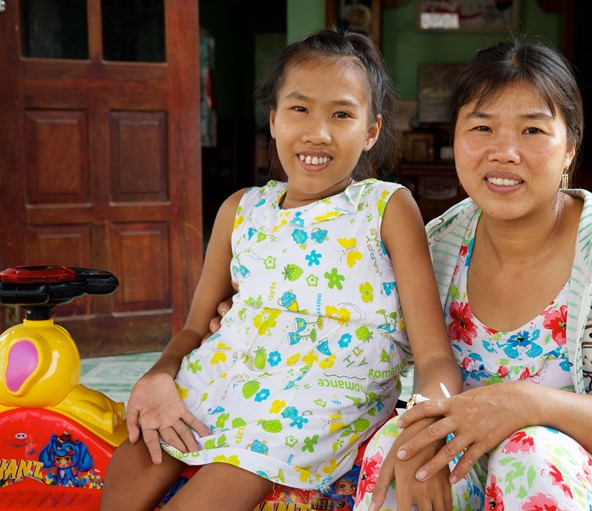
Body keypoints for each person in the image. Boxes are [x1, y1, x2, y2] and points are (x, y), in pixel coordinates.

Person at [100, 28, 460, 511]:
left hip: (320, 398)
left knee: (213, 491)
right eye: (299, 108)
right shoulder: (240, 209)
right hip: (223, 375)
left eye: (342, 114)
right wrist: (157, 377)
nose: (318, 131)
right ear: (272, 119)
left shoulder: (386, 208)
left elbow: (434, 355)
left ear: (371, 130)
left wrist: (424, 424)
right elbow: (193, 328)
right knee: (135, 460)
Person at [350, 37, 592, 511]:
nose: (504, 152)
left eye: (532, 131)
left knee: (530, 456)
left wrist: (533, 404)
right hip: (475, 473)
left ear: (570, 147)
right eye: (482, 127)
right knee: (403, 447)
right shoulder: (439, 246)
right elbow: (350, 330)